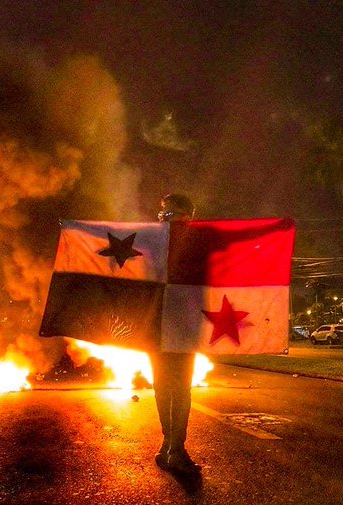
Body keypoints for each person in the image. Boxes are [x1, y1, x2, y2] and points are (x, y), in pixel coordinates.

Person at [152, 193, 202, 475]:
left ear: (187, 215)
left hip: (175, 323)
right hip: (163, 323)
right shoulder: (153, 239)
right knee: (167, 387)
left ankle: (173, 447)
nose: (165, 217)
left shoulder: (195, 239)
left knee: (174, 387)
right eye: (163, 213)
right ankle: (171, 445)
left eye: (170, 213)